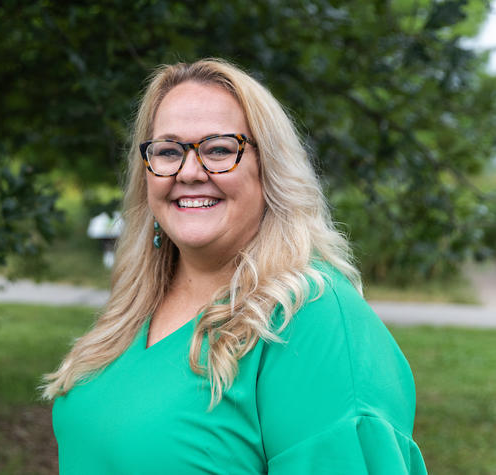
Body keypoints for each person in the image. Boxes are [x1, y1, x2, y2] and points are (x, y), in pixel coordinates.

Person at [43, 58, 427, 474]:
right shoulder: (137, 305)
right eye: (169, 151)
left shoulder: (313, 318)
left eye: (219, 149)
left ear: (270, 169)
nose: (189, 171)